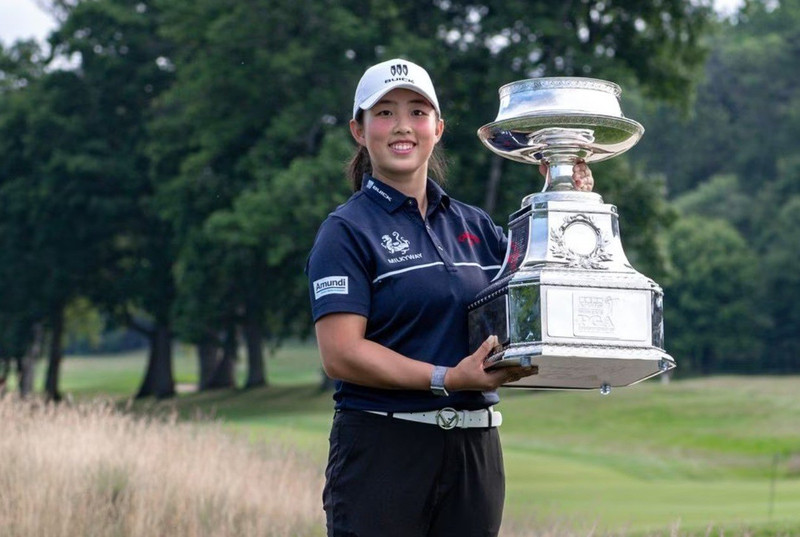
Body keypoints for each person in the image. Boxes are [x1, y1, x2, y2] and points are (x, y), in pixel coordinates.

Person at [306, 58, 594, 537]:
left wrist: (566, 202)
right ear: (359, 130)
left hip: (474, 451)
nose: (402, 126)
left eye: (418, 112)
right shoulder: (346, 231)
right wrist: (447, 377)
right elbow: (341, 353)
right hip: (384, 448)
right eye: (384, 113)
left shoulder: (475, 225)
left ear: (438, 128)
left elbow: (535, 296)